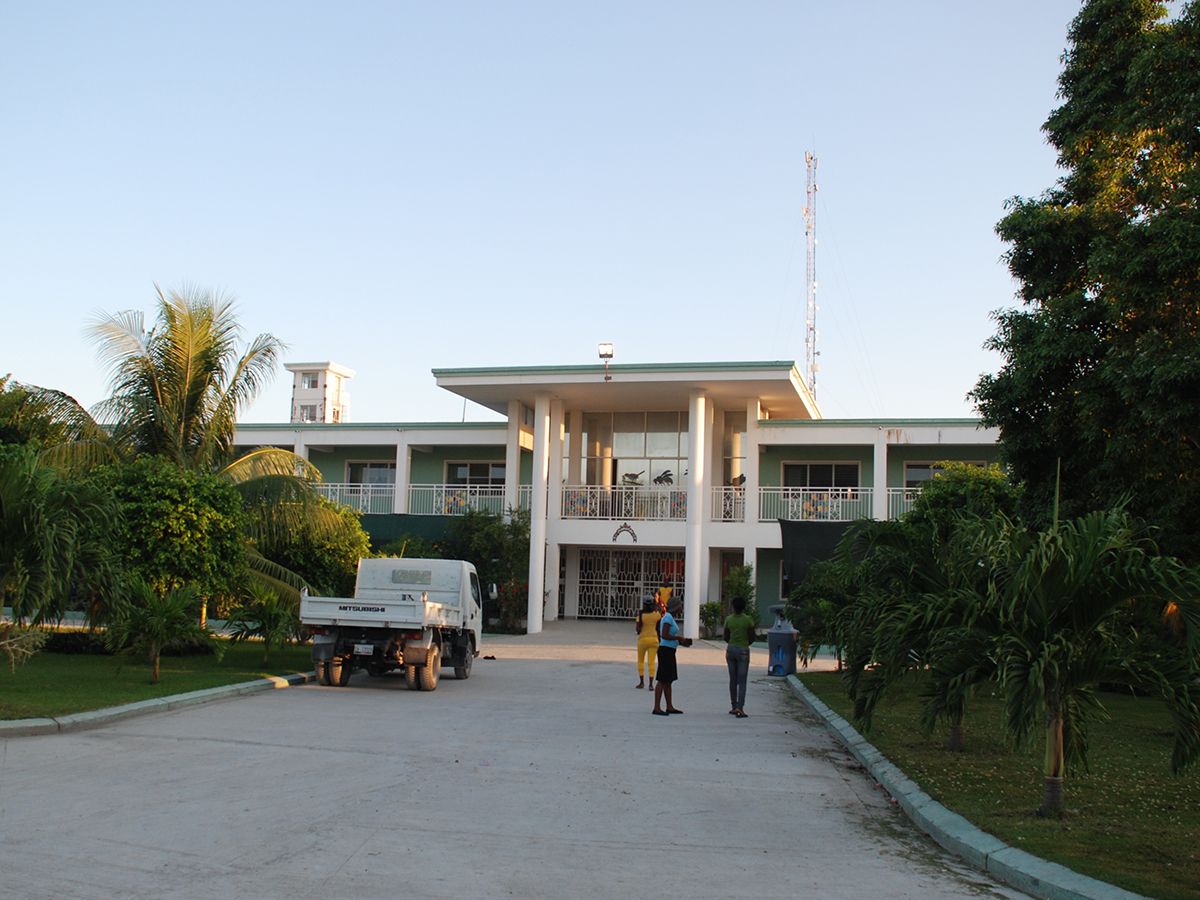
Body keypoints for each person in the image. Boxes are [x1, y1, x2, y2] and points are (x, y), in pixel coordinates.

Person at [652, 596, 691, 716]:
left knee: (668, 680)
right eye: (680, 606)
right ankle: (657, 707)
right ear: (676, 607)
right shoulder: (668, 617)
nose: (682, 608)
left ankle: (669, 706)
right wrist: (679, 638)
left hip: (670, 650)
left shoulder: (670, 618)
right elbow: (664, 635)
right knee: (662, 679)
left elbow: (669, 636)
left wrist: (682, 642)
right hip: (665, 651)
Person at [723, 596, 757, 718]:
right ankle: (740, 707)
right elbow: (752, 636)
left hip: (731, 649)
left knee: (733, 679)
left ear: (733, 607)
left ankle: (733, 706)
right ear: (744, 607)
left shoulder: (728, 619)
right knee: (742, 680)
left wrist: (732, 642)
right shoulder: (748, 620)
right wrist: (745, 643)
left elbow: (725, 636)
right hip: (743, 650)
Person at [635, 596, 661, 690]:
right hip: (654, 640)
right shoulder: (656, 615)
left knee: (641, 661)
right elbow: (659, 627)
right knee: (651, 663)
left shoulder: (640, 615)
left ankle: (641, 683)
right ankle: (651, 684)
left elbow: (637, 630)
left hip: (642, 640)